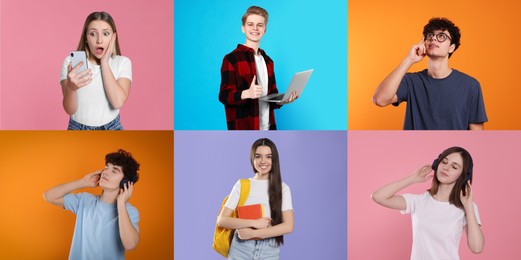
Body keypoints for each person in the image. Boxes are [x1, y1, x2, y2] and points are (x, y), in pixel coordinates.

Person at [373, 18, 487, 130]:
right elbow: (380, 100)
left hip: (452, 148)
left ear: (451, 47)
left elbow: (477, 136)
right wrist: (409, 59)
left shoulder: (470, 86)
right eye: (430, 36)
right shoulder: (411, 81)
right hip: (416, 147)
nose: (434, 39)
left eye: (441, 36)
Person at [372, 147, 484, 260]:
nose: (446, 167)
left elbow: (477, 248)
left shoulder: (467, 207)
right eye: (444, 162)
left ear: (463, 176)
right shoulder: (418, 201)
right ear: (437, 164)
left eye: (454, 167)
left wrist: (468, 206)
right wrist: (412, 178)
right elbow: (378, 196)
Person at [43, 149, 140, 259]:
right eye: (106, 167)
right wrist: (83, 182)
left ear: (125, 182)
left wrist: (121, 203)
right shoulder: (84, 200)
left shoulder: (130, 211)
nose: (106, 172)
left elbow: (130, 244)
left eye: (114, 171)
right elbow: (49, 196)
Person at [219, 6, 297, 130]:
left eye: (260, 25)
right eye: (250, 24)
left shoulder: (268, 61)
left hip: (268, 128)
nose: (255, 28)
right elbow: (224, 96)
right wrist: (247, 93)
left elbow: (271, 96)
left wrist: (283, 100)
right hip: (244, 128)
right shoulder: (231, 59)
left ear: (265, 30)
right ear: (243, 28)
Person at [217, 138, 294, 259]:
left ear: (274, 160)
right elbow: (222, 220)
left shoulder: (283, 188)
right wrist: (254, 223)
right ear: (252, 159)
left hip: (269, 250)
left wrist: (254, 233)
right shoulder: (242, 185)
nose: (263, 161)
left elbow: (288, 226)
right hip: (241, 248)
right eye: (258, 156)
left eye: (268, 156)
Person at [61, 11, 132, 130]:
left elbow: (118, 102)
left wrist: (104, 62)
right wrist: (71, 88)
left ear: (113, 37)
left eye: (106, 33)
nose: (99, 40)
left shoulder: (122, 62)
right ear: (86, 38)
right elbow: (69, 110)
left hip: (112, 128)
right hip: (77, 128)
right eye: (93, 34)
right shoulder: (71, 62)